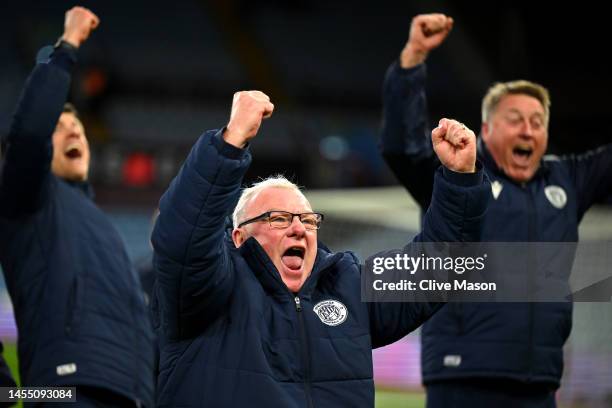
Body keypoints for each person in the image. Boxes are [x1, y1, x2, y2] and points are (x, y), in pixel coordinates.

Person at [151, 89, 490, 406]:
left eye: (308, 220)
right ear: (239, 237)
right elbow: (182, 237)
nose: (299, 228)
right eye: (280, 218)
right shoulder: (209, 292)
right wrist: (228, 145)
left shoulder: (346, 286)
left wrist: (460, 180)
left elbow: (439, 267)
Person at [379, 13, 612, 408]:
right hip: (462, 378)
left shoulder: (568, 180)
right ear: (486, 130)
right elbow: (402, 147)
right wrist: (414, 56)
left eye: (537, 122)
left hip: (539, 380)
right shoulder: (457, 176)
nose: (527, 130)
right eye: (515, 119)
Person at [0, 7, 154, 407]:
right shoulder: (27, 197)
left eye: (79, 128)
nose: (73, 131)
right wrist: (66, 48)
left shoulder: (98, 224)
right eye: (60, 125)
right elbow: (29, 133)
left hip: (133, 394)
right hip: (62, 388)